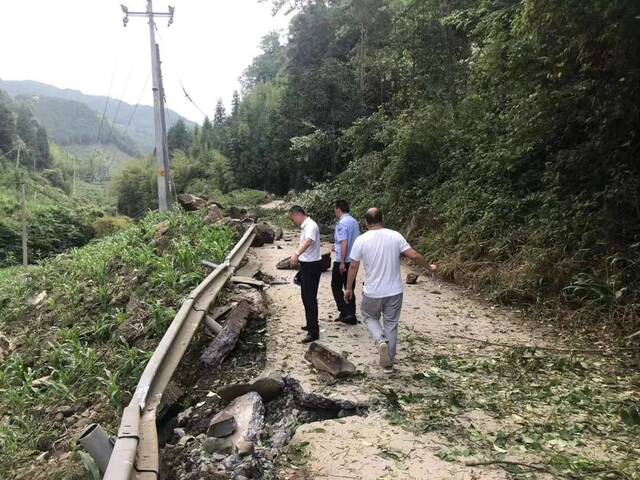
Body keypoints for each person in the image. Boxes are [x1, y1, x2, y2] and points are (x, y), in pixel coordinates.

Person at [345, 208, 437, 372]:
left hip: (372, 291)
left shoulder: (361, 240)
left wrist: (348, 288)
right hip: (394, 291)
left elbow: (353, 265)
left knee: (369, 316)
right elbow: (414, 255)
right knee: (391, 325)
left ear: (366, 223)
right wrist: (429, 267)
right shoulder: (395, 236)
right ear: (382, 219)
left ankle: (380, 341)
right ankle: (388, 364)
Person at [288, 205, 323, 343]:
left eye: (293, 219)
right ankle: (310, 323)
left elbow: (308, 241)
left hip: (312, 265)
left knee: (309, 298)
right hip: (307, 265)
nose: (293, 222)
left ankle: (313, 332)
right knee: (306, 296)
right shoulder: (306, 225)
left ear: (298, 214)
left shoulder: (310, 225)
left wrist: (296, 254)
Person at [331, 200, 360, 324]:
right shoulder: (354, 222)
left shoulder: (342, 223)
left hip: (343, 260)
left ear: (338, 209)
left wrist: (342, 261)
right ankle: (351, 313)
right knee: (349, 287)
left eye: (335, 210)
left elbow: (344, 242)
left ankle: (344, 311)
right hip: (353, 259)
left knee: (336, 286)